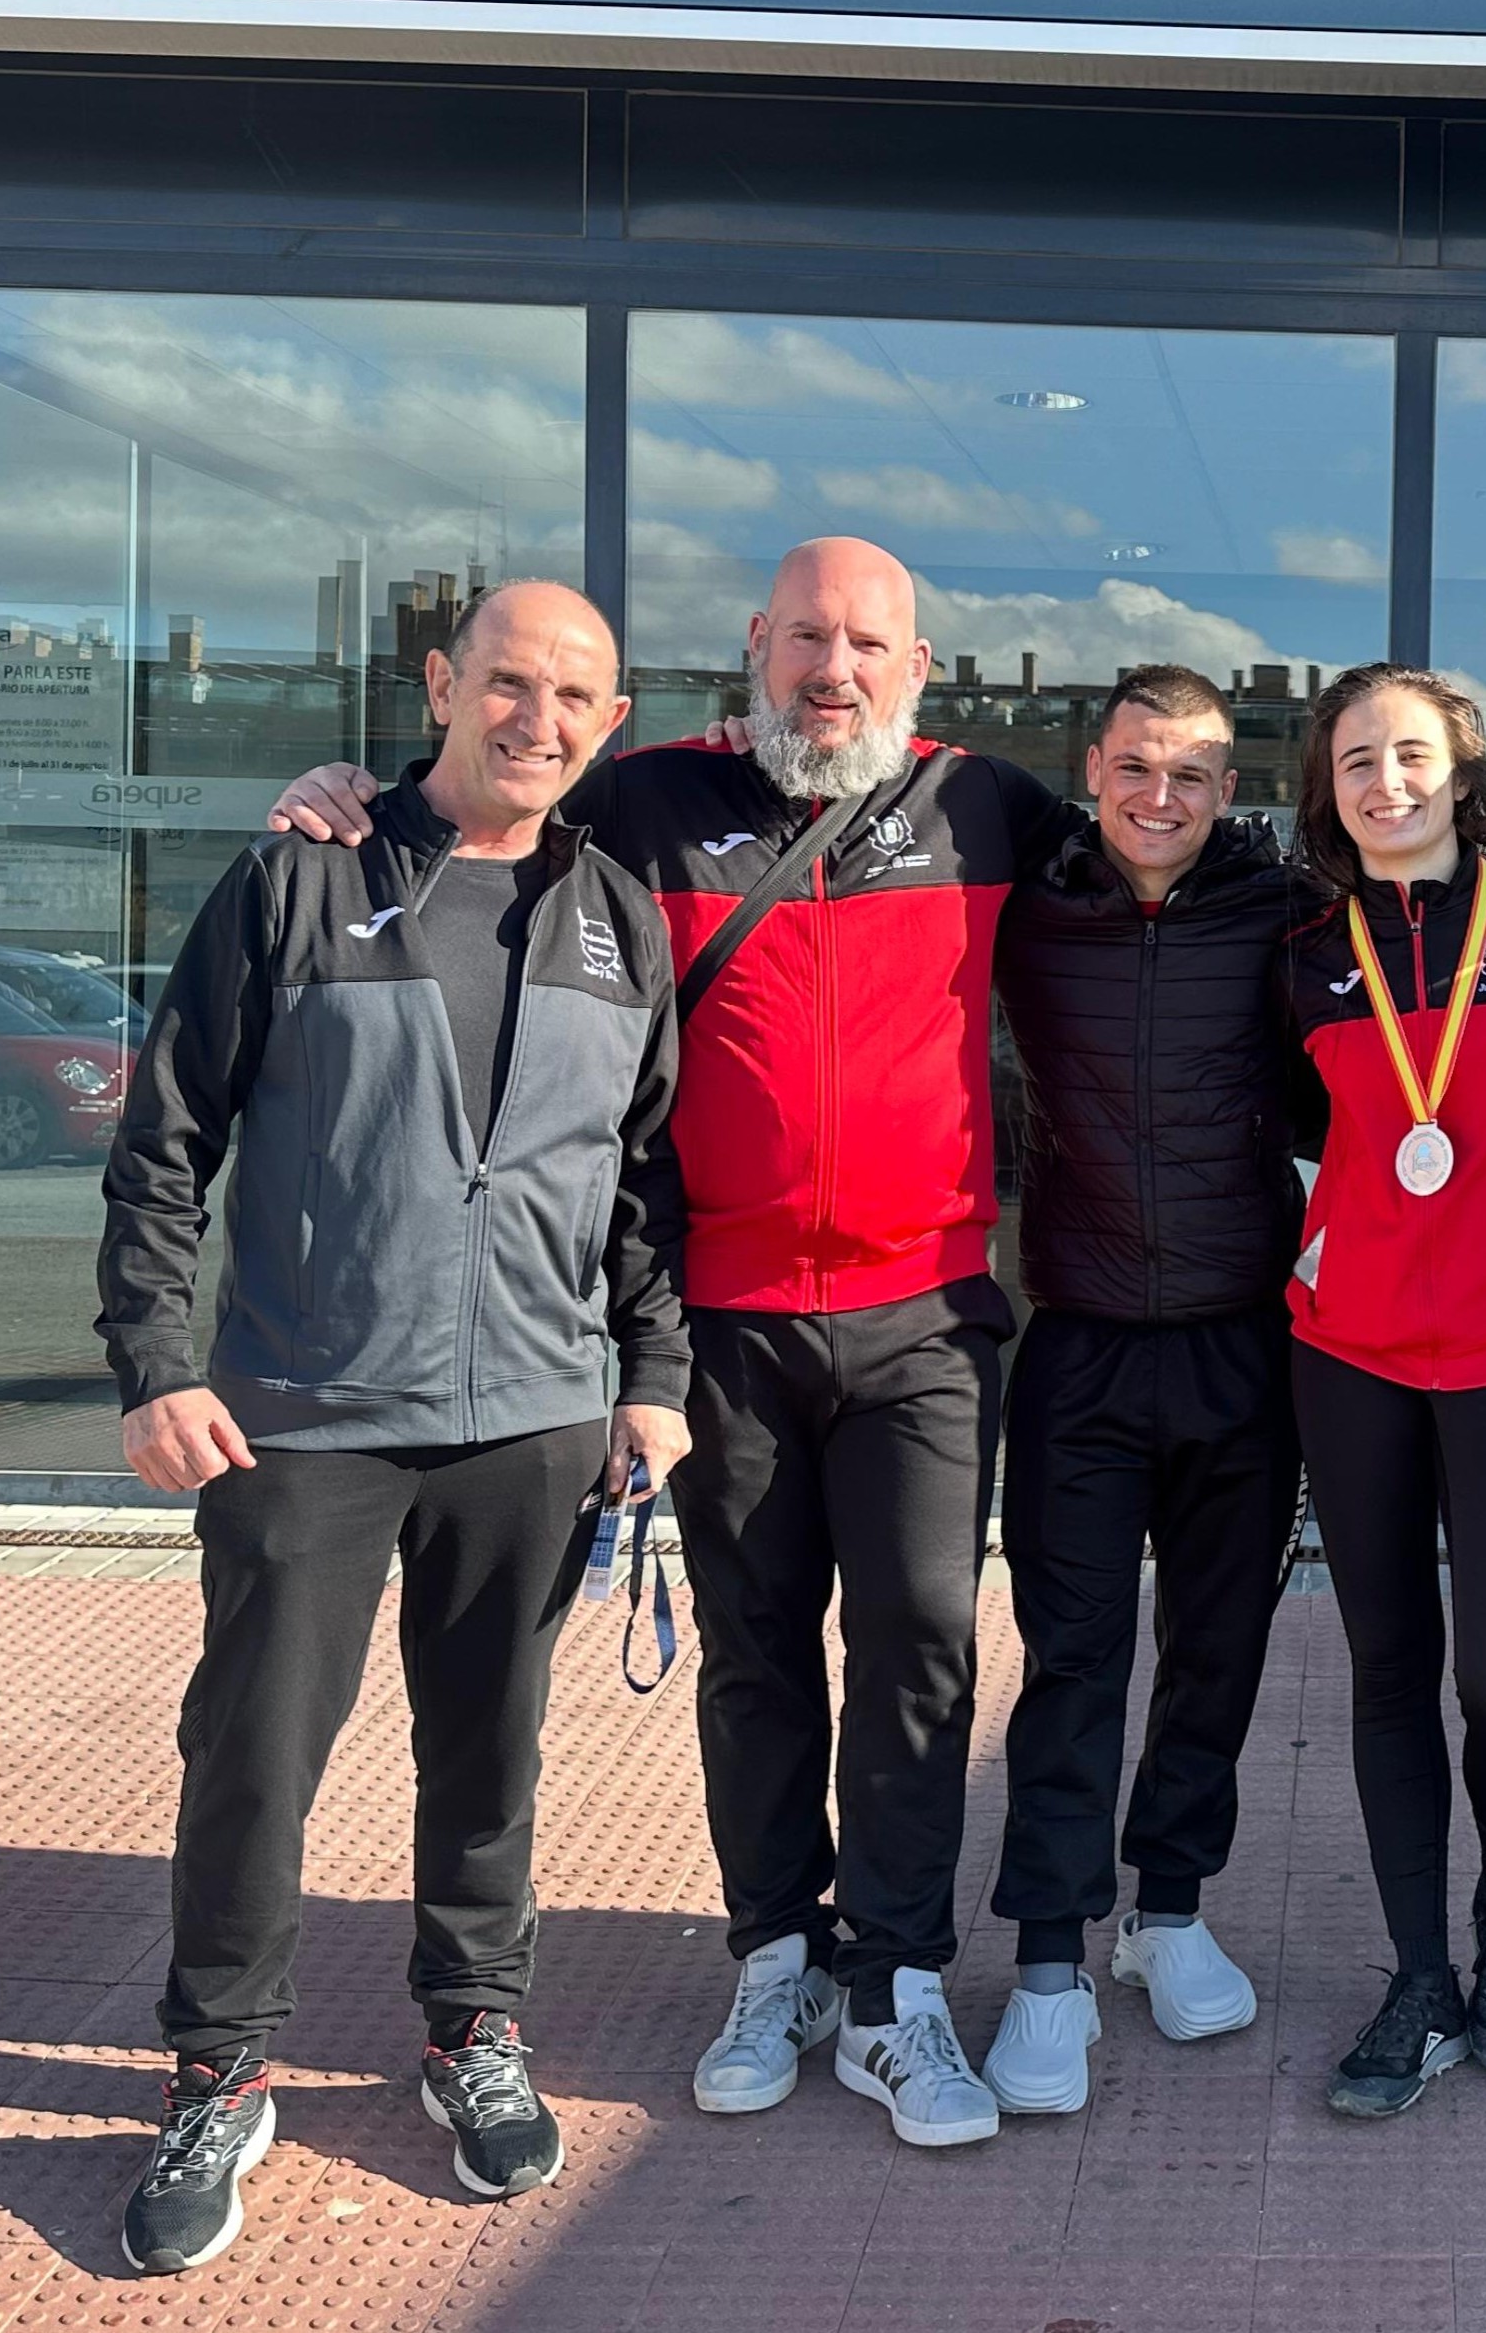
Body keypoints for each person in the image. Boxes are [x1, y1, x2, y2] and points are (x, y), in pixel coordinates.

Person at [268, 539, 1062, 2151]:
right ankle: (777, 1955)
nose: (834, 670)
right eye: (807, 637)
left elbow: (1175, 861)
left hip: (924, 1314)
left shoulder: (987, 806)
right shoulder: (645, 799)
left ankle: (898, 1980)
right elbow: (478, 817)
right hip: (722, 1318)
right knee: (757, 1647)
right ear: (755, 644)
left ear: (919, 668)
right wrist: (345, 791)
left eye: (870, 645)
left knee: (920, 1639)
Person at [99, 581, 689, 2270]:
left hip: (534, 1414)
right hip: (305, 1412)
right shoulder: (303, 872)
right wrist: (155, 1359)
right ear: (440, 682)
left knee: (490, 1745)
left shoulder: (617, 917)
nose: (536, 718)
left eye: (573, 695)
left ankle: (471, 2023)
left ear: (610, 722)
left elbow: (645, 1181)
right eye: (507, 680)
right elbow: (166, 1137)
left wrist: (652, 1376)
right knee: (254, 1750)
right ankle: (218, 2064)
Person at [972, 665, 1300, 2111]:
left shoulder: (1284, 909)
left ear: (1229, 789)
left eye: (1192, 774)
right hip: (1081, 1340)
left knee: (1217, 1650)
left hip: (1244, 1341)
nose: (1160, 797)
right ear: (1092, 768)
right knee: (1074, 1658)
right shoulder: (1024, 905)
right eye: (1136, 767)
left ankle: (1169, 1909)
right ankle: (1050, 1959)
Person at [1281, 664, 1486, 2119]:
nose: (1385, 780)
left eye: (1412, 754)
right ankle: (1419, 1974)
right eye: (1357, 759)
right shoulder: (1304, 952)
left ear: (1466, 776)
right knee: (1390, 1667)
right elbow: (1312, 1128)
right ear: (1328, 788)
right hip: (1349, 1354)